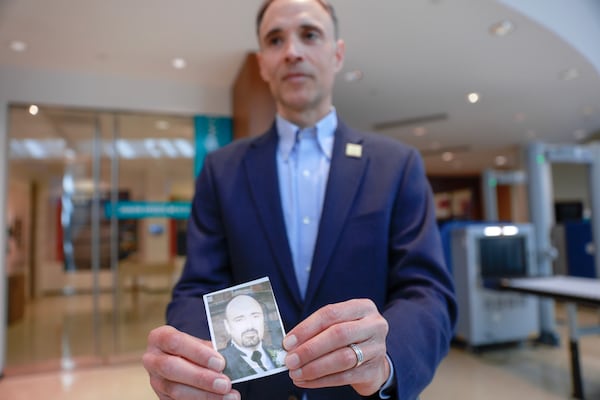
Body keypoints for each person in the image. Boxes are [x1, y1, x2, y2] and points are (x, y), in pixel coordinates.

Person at [142, 0, 457, 399]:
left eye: (309, 34)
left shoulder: (396, 165)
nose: (292, 50)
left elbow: (427, 293)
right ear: (262, 63)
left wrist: (387, 357)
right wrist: (193, 361)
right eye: (276, 39)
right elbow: (197, 291)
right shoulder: (222, 170)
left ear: (337, 53)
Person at [218, 294, 285, 381]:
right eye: (239, 320)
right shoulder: (222, 363)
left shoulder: (279, 351)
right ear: (227, 326)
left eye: (255, 316)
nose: (249, 326)